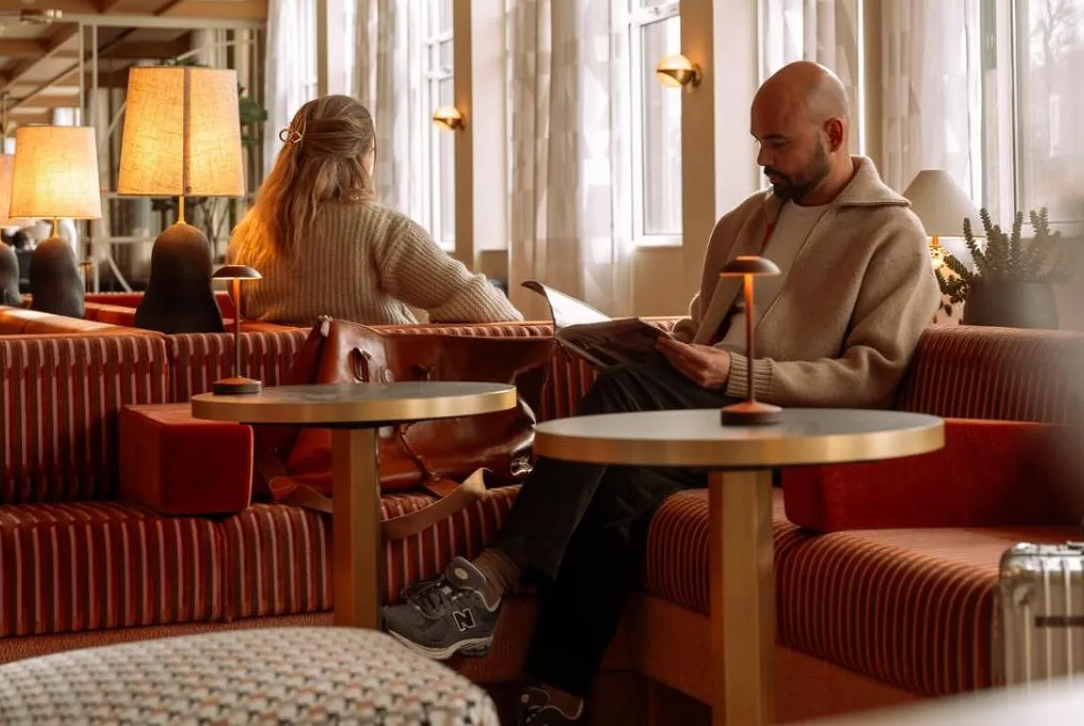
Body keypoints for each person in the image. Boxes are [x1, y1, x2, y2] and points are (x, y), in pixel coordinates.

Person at [382, 61, 940, 724]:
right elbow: (707, 323)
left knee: (620, 395)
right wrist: (660, 339)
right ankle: (555, 696)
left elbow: (872, 377)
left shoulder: (892, 234)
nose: (763, 158)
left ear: (835, 132)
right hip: (708, 410)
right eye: (757, 141)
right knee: (623, 487)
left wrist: (734, 374)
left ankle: (493, 576)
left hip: (792, 424)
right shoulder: (741, 223)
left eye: (778, 142)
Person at [226, 95, 520, 326]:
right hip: (377, 397)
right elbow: (488, 308)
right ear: (366, 156)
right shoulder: (382, 230)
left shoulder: (247, 235)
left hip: (278, 394)